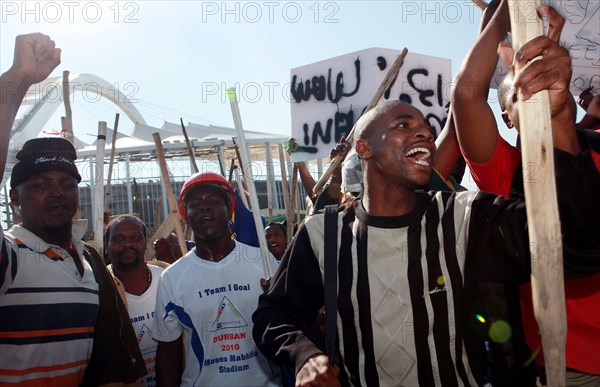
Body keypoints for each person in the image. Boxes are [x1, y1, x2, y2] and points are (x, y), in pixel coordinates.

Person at [252, 98, 600, 386]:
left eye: (427, 128)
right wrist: (304, 354)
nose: (425, 132)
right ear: (364, 148)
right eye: (403, 125)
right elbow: (272, 314)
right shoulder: (321, 235)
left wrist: (558, 119)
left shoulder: (463, 217)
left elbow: (572, 244)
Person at [452, 1, 600, 383]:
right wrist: (505, 9)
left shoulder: (595, 149)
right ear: (506, 118)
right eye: (521, 96)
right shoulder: (505, 172)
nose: (536, 96)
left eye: (543, 81)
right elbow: (467, 95)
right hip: (573, 365)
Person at [0, 33, 146, 385]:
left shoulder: (88, 261)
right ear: (14, 198)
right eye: (40, 184)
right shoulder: (11, 258)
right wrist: (17, 79)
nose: (57, 193)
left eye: (67, 184)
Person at [152, 172, 281, 386]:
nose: (204, 207)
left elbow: (291, 323)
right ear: (186, 216)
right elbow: (168, 352)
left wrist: (278, 301)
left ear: (229, 211)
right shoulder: (172, 279)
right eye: (195, 203)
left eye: (213, 201)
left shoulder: (263, 262)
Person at [106, 214, 169, 387]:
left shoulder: (168, 278)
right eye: (118, 238)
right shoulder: (98, 289)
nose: (127, 244)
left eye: (135, 237)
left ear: (145, 242)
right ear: (107, 246)